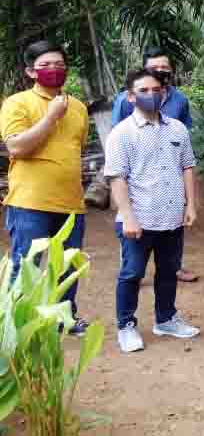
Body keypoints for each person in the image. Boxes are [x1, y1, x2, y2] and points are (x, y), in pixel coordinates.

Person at [105, 69, 200, 353]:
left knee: (168, 271)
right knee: (132, 273)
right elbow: (117, 178)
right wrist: (129, 216)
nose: (152, 95)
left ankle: (166, 319)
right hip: (138, 220)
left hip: (171, 218)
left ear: (164, 93)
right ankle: (126, 326)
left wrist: (191, 204)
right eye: (144, 90)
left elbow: (187, 166)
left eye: (156, 89)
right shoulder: (121, 134)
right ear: (131, 97)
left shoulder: (177, 129)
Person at [1, 40, 91, 335]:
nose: (54, 70)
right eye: (46, 65)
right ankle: (17, 323)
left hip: (71, 202)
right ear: (30, 71)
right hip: (30, 202)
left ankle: (63, 318)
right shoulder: (17, 103)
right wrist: (51, 116)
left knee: (67, 265)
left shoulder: (77, 107)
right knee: (26, 264)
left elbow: (76, 149)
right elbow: (16, 146)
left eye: (60, 65)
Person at [111, 47, 198, 283]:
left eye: (165, 67)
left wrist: (189, 202)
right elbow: (118, 145)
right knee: (133, 261)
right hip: (139, 175)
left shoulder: (179, 99)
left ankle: (175, 269)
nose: (160, 71)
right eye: (154, 67)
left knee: (169, 252)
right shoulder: (124, 103)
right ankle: (131, 274)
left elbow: (186, 147)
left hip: (170, 169)